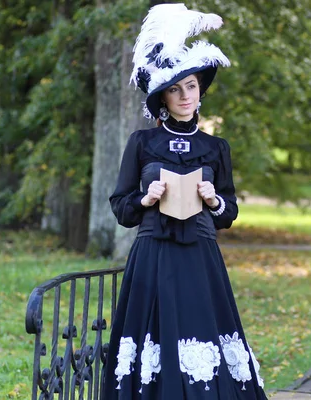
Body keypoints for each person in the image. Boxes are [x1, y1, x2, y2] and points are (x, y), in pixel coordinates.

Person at [102, 4, 268, 399]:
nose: (184, 95)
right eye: (175, 88)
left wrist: (213, 201)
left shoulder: (215, 147)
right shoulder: (142, 143)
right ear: (162, 96)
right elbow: (122, 207)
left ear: (200, 90)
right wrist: (146, 199)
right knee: (153, 340)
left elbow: (229, 213)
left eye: (190, 86)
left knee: (201, 333)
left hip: (200, 257)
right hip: (153, 257)